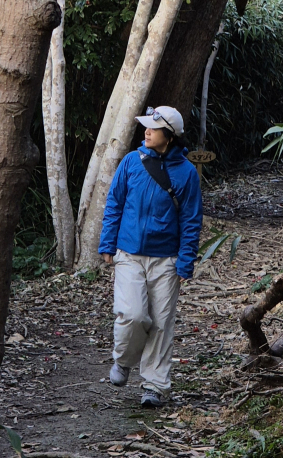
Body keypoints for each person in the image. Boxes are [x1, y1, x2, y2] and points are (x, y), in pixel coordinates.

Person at [99, 105, 203, 408]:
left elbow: (191, 220)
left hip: (167, 260)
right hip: (129, 253)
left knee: (161, 324)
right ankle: (124, 360)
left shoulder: (186, 173)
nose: (146, 131)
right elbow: (114, 203)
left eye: (153, 128)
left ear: (169, 136)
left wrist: (186, 260)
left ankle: (155, 386)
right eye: (146, 126)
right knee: (132, 315)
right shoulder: (132, 162)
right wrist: (107, 244)